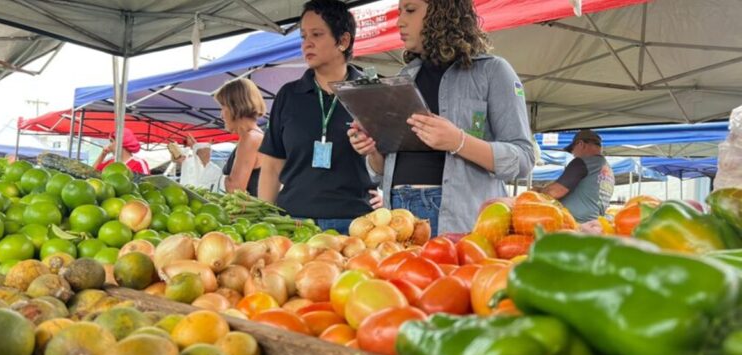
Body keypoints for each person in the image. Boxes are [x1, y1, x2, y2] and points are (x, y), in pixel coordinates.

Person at [349, 0, 535, 235]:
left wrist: (458, 141)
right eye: (398, 12)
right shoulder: (404, 77)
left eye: (410, 10)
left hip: (461, 217)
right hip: (397, 214)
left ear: (442, 12)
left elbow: (523, 158)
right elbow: (384, 170)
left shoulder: (493, 71)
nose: (399, 21)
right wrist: (372, 149)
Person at [257, 0, 374, 235]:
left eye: (317, 34)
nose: (306, 44)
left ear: (343, 41)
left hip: (353, 226)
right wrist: (266, 221)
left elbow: (386, 160)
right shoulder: (289, 95)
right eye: (303, 36)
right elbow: (271, 167)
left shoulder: (371, 91)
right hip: (293, 222)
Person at [538, 129, 615, 223]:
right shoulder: (608, 170)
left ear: (581, 144)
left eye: (572, 150)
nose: (573, 155)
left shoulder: (582, 162)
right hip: (595, 225)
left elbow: (554, 192)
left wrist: (537, 192)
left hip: (575, 225)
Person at [213, 78, 266, 196]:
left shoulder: (250, 138)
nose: (221, 115)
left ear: (235, 107)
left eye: (223, 107)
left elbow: (235, 188)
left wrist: (207, 178)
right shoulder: (255, 136)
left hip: (251, 214)